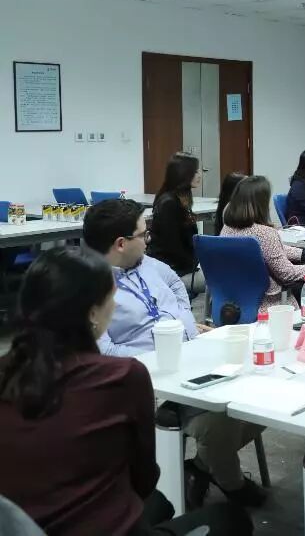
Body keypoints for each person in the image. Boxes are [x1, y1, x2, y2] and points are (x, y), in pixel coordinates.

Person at [0, 247, 253, 536]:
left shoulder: (10, 373)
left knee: (159, 504)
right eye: (112, 298)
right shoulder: (121, 377)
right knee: (228, 519)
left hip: (25, 525)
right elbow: (144, 479)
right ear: (93, 312)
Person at [82, 199, 266, 508]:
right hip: (148, 380)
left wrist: (187, 328)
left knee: (263, 389)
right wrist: (164, 349)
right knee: (221, 420)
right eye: (144, 234)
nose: (149, 239)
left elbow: (177, 289)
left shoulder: (150, 265)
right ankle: (229, 480)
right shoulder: (91, 287)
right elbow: (107, 353)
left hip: (192, 359)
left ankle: (201, 467)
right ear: (121, 243)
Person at [221, 175, 305, 305]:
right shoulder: (265, 234)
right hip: (270, 305)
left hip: (232, 300)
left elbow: (271, 250)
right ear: (262, 203)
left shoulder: (227, 228)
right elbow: (287, 274)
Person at [147, 151, 200, 283]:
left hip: (179, 266)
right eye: (195, 172)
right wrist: (194, 264)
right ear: (183, 174)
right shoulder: (169, 203)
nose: (199, 175)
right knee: (217, 279)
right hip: (171, 269)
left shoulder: (182, 198)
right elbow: (172, 246)